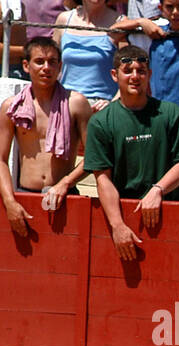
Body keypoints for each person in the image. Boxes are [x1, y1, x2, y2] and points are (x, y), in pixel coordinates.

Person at [82, 44, 179, 262]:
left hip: (170, 214)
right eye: (128, 71)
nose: (135, 76)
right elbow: (102, 180)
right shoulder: (101, 121)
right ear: (114, 75)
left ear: (149, 75)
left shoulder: (170, 113)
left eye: (141, 71)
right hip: (125, 215)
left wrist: (157, 190)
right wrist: (117, 226)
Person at [0, 38, 93, 237]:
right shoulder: (12, 106)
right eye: (39, 61)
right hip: (24, 195)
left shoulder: (75, 103)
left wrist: (65, 183)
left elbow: (94, 156)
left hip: (66, 196)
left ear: (60, 66)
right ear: (26, 65)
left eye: (52, 62)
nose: (46, 68)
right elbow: (0, 159)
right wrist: (9, 201)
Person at [55, 0, 127, 110]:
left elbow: (129, 71)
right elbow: (52, 63)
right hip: (66, 103)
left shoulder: (121, 22)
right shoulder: (64, 20)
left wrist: (113, 104)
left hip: (101, 106)